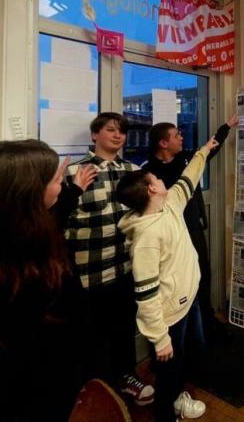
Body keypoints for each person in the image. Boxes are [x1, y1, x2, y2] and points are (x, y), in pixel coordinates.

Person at [0, 140, 91, 421]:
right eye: (57, 180)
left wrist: (74, 189)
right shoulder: (39, 272)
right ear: (28, 195)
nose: (60, 185)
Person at [116, 136, 219, 422]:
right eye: (156, 179)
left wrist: (205, 151)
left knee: (187, 357)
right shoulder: (147, 236)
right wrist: (159, 338)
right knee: (170, 369)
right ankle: (167, 410)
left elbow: (188, 178)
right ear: (152, 188)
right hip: (169, 315)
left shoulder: (169, 204)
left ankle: (178, 396)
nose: (162, 180)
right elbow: (146, 294)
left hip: (189, 299)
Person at [63, 112, 154, 405]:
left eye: (122, 132)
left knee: (124, 329)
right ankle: (95, 392)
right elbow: (58, 221)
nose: (118, 136)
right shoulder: (73, 173)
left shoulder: (133, 171)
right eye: (111, 130)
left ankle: (127, 378)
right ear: (94, 135)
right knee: (88, 337)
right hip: (87, 273)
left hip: (125, 267)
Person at [143, 115, 239, 342]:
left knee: (202, 275)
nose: (182, 137)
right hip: (170, 237)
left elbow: (209, 149)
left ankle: (207, 324)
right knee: (177, 282)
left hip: (193, 229)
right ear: (163, 143)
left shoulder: (186, 160)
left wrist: (226, 127)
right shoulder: (148, 173)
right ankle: (179, 335)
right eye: (177, 135)